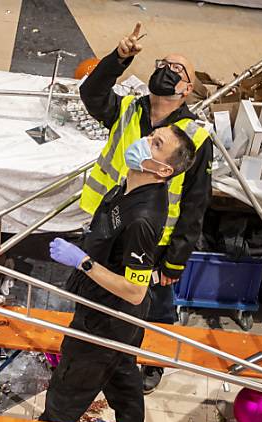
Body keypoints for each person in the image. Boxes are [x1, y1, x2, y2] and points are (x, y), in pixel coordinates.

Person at [78, 23, 213, 394]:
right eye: (163, 63)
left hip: (154, 237)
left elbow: (196, 203)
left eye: (177, 69)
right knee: (105, 286)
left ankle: (151, 362)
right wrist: (119, 57)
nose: (167, 70)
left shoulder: (194, 137)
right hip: (109, 223)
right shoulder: (126, 107)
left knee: (155, 304)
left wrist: (176, 259)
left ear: (186, 89)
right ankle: (100, 345)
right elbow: (90, 93)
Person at [41, 125, 198, 422]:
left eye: (155, 144)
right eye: (151, 135)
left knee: (70, 385)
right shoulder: (129, 186)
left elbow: (136, 291)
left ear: (164, 169)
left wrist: (82, 261)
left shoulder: (143, 219)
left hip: (109, 318)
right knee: (121, 375)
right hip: (110, 313)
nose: (142, 142)